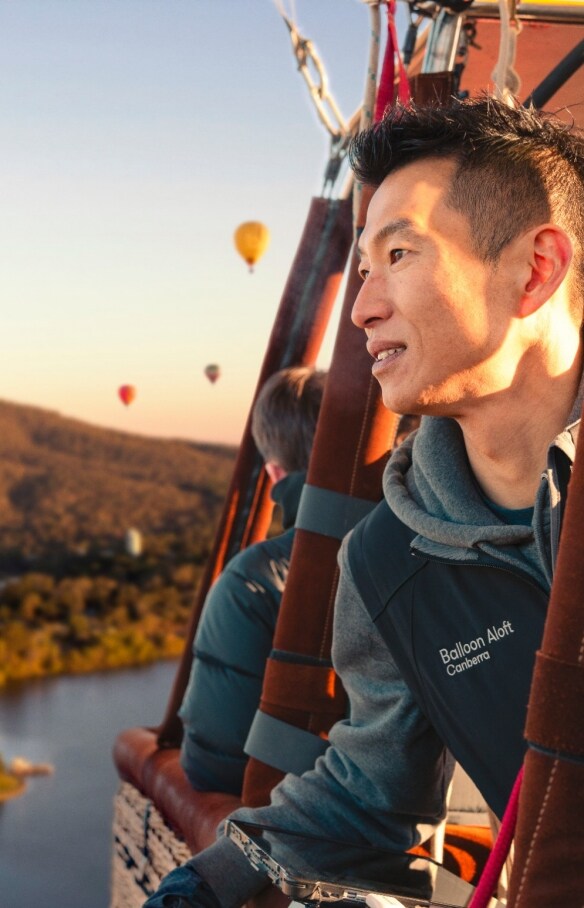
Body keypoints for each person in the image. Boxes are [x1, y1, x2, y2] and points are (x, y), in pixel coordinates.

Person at [144, 96, 584, 908]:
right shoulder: (387, 560)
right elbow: (366, 791)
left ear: (535, 269)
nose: (361, 308)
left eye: (401, 254)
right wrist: (203, 885)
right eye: (361, 267)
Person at [178, 365, 326, 795]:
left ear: (274, 474)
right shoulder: (423, 546)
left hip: (311, 813)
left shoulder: (252, 583)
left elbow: (215, 765)